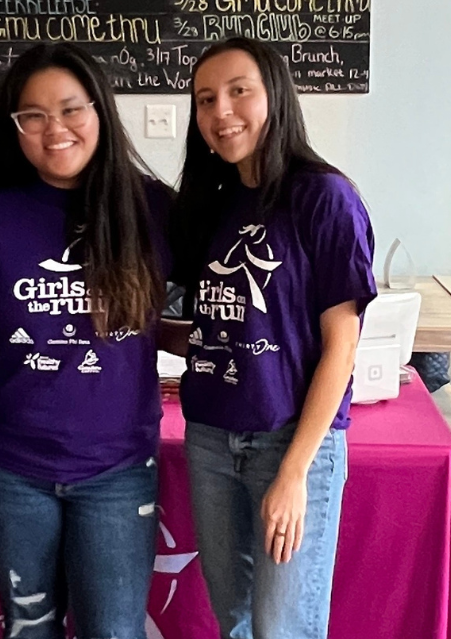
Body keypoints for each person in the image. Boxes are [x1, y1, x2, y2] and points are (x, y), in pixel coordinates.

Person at [0, 43, 170, 639]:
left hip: (118, 468)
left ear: (101, 110)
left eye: (71, 109)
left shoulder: (151, 206)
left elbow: (215, 294)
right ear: (13, 126)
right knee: (30, 630)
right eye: (33, 116)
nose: (55, 130)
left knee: (115, 633)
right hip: (7, 466)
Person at [169, 37, 376, 639]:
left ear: (275, 97)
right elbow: (223, 328)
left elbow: (342, 346)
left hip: (293, 443)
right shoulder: (207, 205)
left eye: (239, 91)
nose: (221, 111)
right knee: (232, 617)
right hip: (210, 437)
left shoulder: (324, 196)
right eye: (205, 99)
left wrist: (293, 473)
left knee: (281, 626)